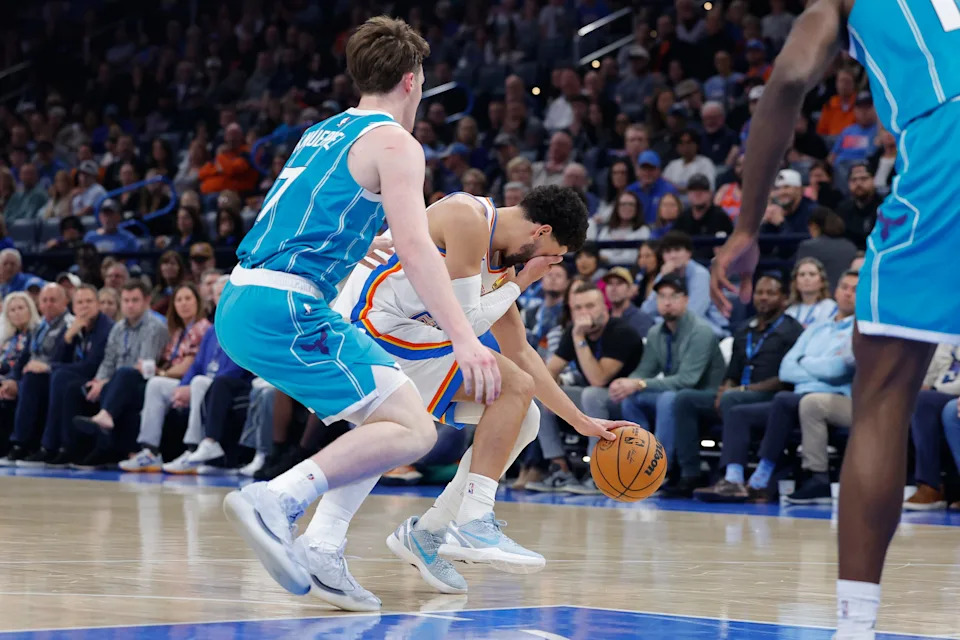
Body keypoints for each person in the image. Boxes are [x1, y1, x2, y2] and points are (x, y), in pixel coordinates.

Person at [216, 17, 504, 600]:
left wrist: (356, 241)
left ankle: (322, 549)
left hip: (247, 295)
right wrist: (465, 338)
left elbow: (300, 211)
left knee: (390, 417)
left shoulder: (322, 131)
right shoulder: (398, 142)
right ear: (411, 80)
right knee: (416, 429)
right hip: (287, 306)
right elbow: (420, 250)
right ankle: (278, 499)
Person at [708, 2, 960, 634]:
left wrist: (745, 228)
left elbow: (789, 79)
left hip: (947, 142)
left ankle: (854, 625)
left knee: (880, 402)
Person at [308, 187, 623, 607]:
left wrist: (581, 422)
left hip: (404, 335)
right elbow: (462, 322)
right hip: (368, 325)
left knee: (522, 416)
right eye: (552, 254)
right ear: (540, 232)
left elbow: (522, 353)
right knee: (508, 388)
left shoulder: (501, 265)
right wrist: (523, 281)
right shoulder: (468, 217)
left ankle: (429, 532)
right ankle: (475, 521)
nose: (548, 266)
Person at [672, 274, 802, 496]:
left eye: (771, 293)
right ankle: (689, 474)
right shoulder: (744, 330)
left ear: (784, 299)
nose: (763, 298)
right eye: (759, 292)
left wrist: (740, 391)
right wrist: (724, 389)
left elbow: (786, 379)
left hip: (771, 396)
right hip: (737, 395)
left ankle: (732, 477)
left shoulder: (792, 331)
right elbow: (732, 372)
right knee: (685, 399)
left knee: (733, 400)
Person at [610, 275, 726, 494]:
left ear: (686, 300)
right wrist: (626, 383)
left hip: (706, 396)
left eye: (674, 296)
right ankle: (637, 464)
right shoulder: (656, 332)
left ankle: (659, 469)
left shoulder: (700, 331)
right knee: (631, 399)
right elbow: (644, 371)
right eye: (662, 296)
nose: (667, 302)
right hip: (676, 393)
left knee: (668, 398)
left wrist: (639, 383)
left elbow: (687, 380)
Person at [796, 207, 858, 290]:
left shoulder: (808, 247)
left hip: (819, 297)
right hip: (847, 296)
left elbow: (798, 276)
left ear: (814, 227)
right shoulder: (850, 246)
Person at [601, 267, 654, 338]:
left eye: (619, 283)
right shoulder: (602, 318)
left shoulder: (642, 319)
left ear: (630, 289)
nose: (613, 288)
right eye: (610, 283)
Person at [784, 257, 838, 328]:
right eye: (802, 274)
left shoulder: (832, 308)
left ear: (822, 281)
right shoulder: (789, 312)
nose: (806, 278)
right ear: (795, 283)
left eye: (812, 274)